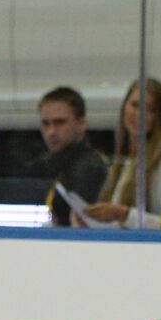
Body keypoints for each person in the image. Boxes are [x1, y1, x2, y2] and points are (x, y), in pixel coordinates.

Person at [84, 78, 161, 231]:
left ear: (159, 118)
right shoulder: (124, 159)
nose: (139, 114)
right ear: (124, 107)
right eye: (135, 105)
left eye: (149, 109)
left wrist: (125, 215)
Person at [34, 86, 107, 228]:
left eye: (60, 122)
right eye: (45, 123)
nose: (51, 132)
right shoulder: (61, 165)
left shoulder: (89, 170)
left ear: (81, 123)